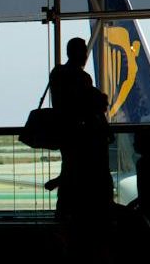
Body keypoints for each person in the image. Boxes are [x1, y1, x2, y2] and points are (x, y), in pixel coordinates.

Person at [44, 37, 112, 220]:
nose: (86, 55)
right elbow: (88, 107)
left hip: (66, 134)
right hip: (82, 136)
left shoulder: (57, 74)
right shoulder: (82, 78)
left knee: (70, 172)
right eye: (83, 51)